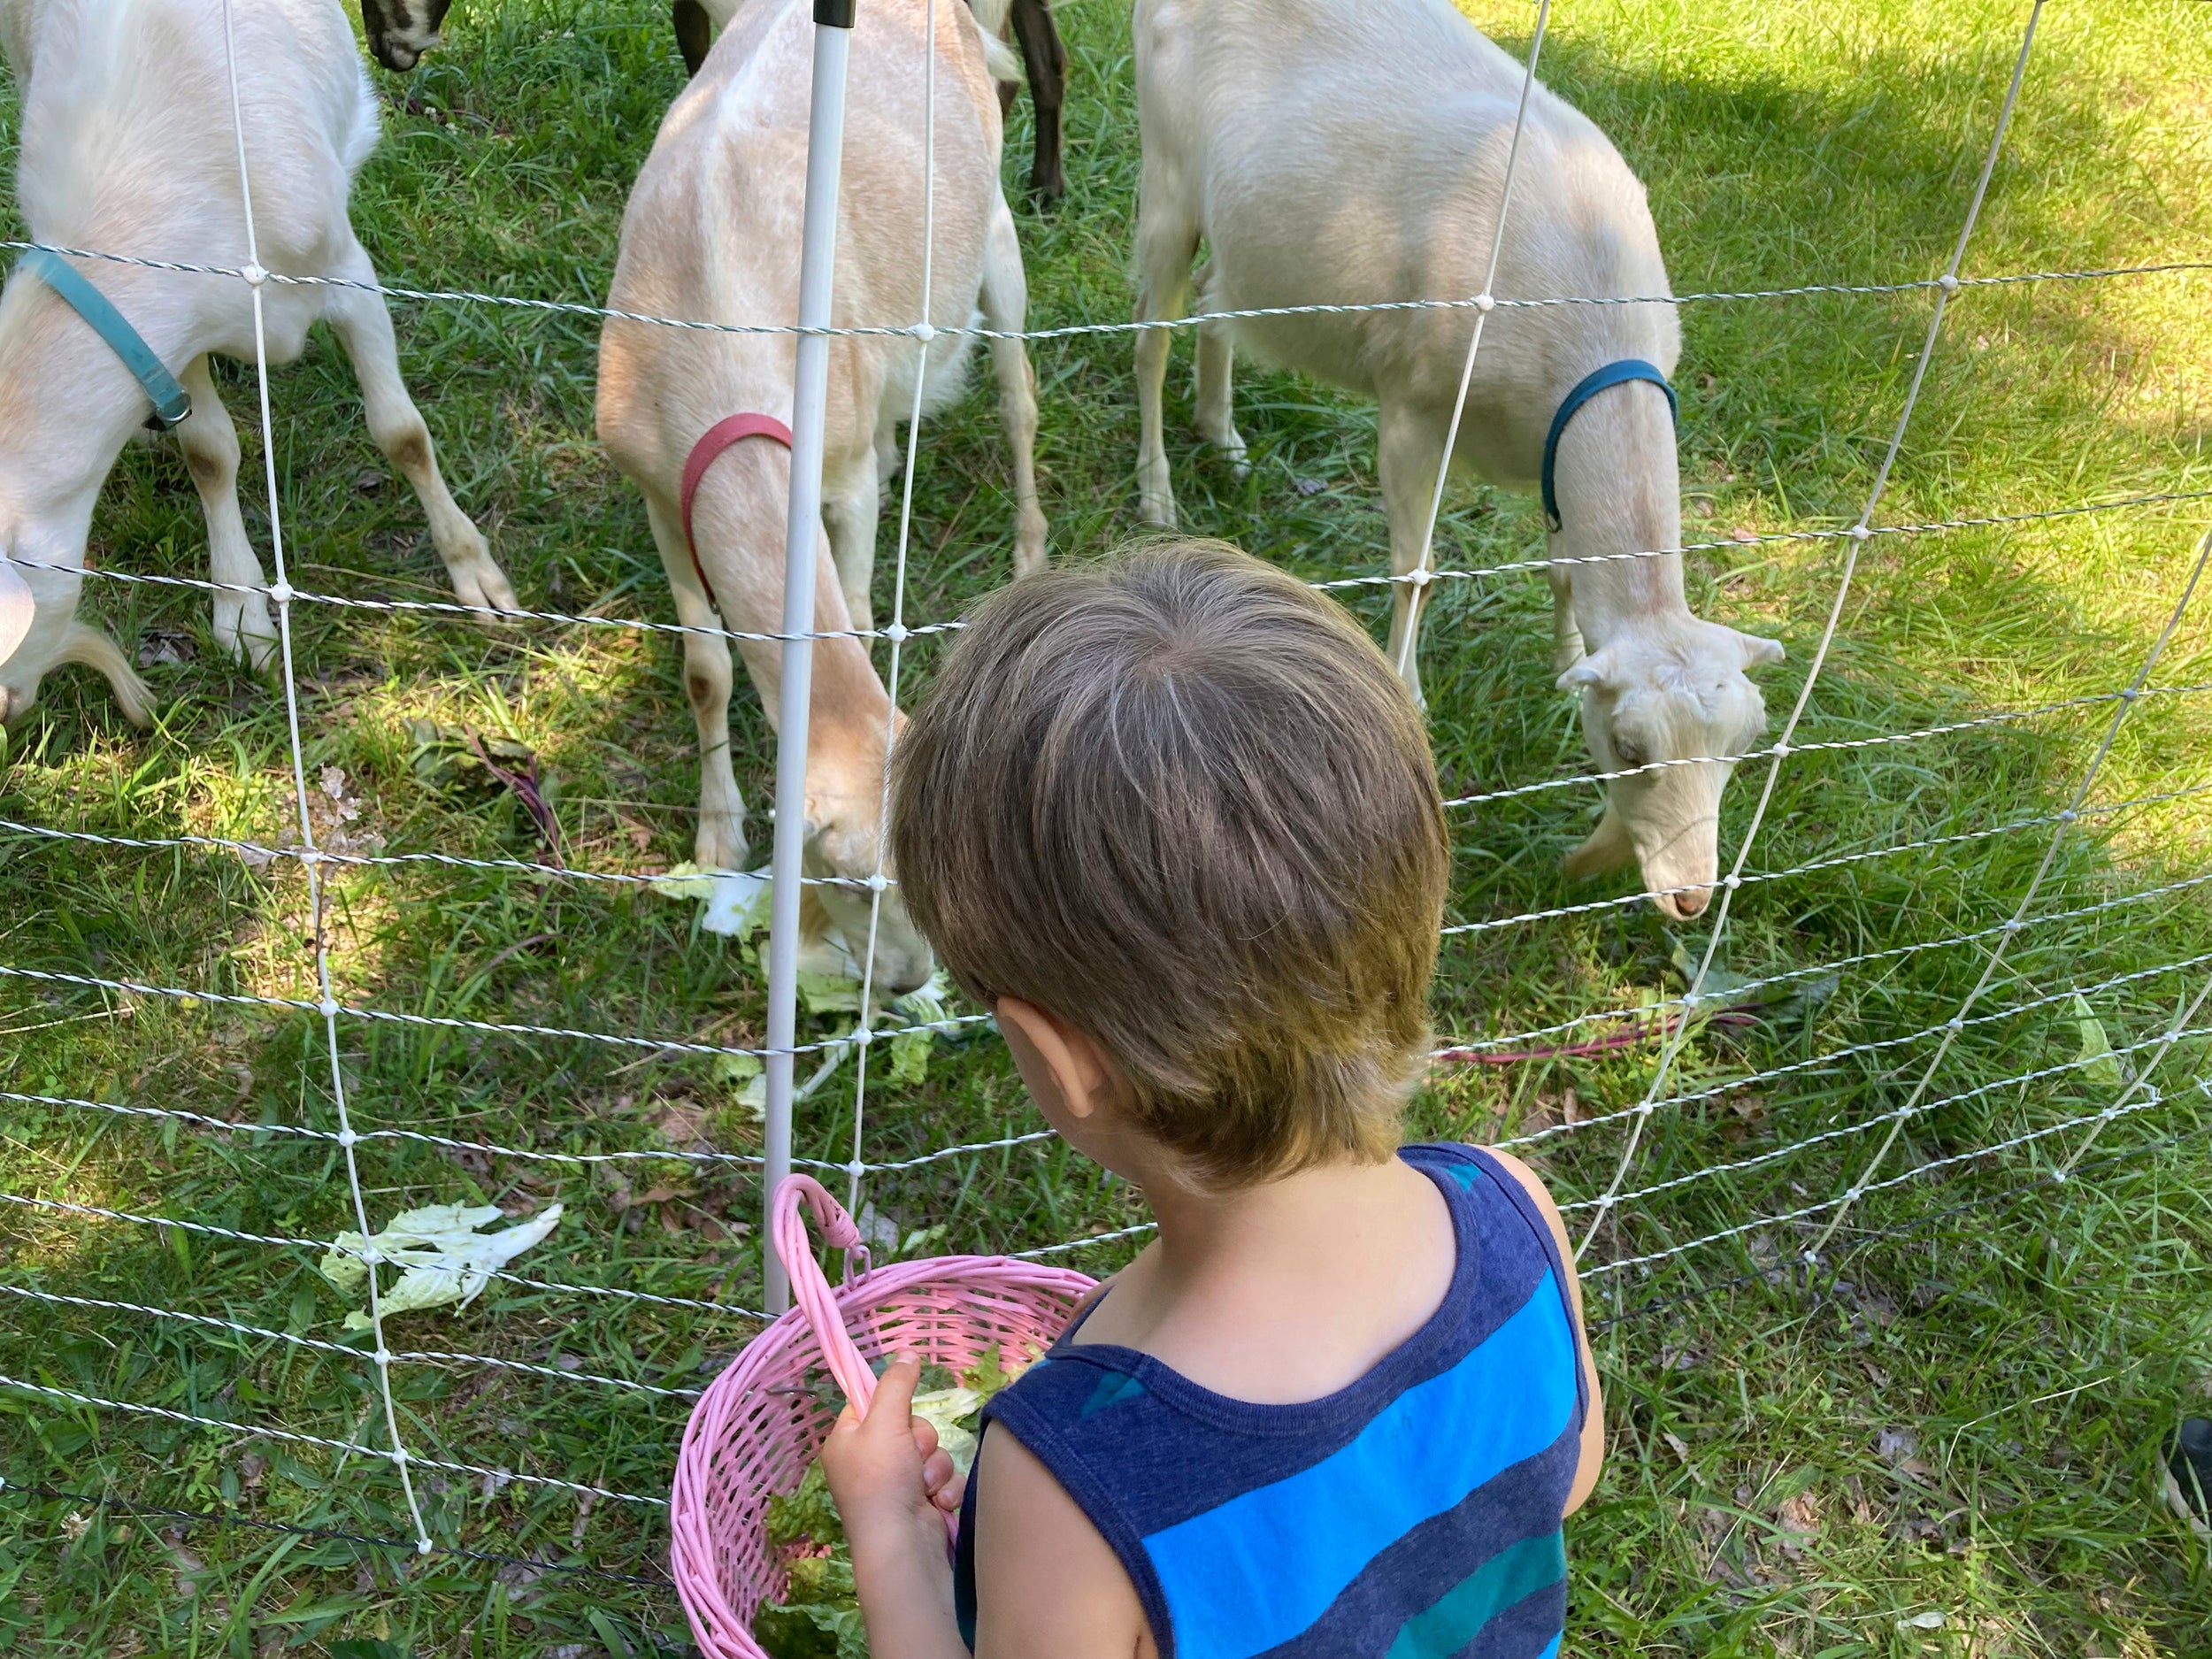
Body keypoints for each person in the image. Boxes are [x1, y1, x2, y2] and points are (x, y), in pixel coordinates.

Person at [819, 541, 1603, 1658]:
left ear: (1057, 1057)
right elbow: (1563, 1481)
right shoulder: (1510, 1208)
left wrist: (894, 1538)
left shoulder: (1075, 1481)